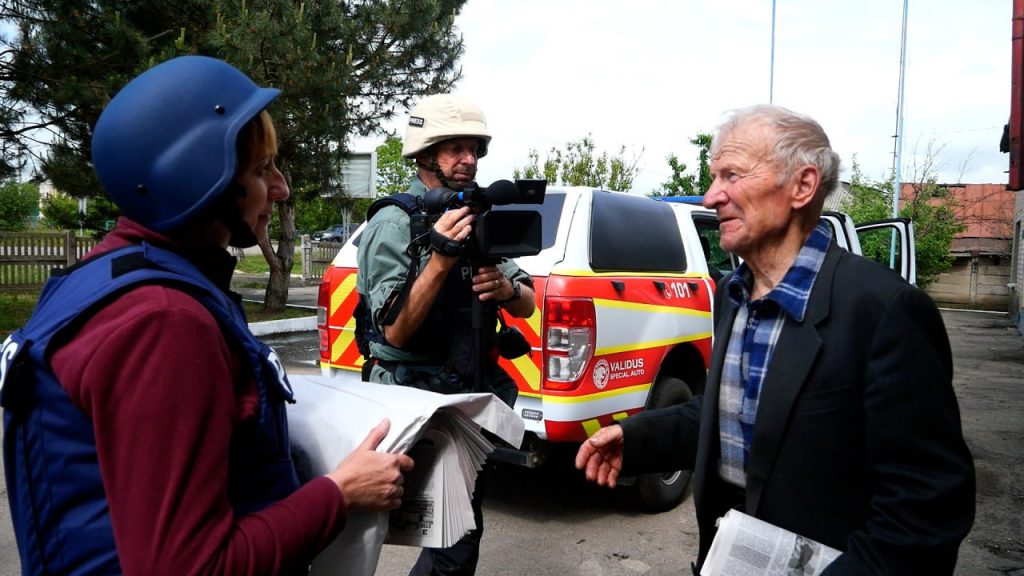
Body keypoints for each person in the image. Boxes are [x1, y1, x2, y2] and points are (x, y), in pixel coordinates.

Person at [1, 55, 413, 575]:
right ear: (202, 178)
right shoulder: (162, 322)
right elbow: (189, 567)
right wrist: (338, 494)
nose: (281, 188)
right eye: (262, 170)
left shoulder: (103, 278)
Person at [575, 104, 975, 575]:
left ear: (803, 186)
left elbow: (925, 507)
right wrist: (638, 439)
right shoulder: (732, 294)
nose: (710, 197)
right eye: (712, 177)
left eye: (732, 176)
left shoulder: (885, 312)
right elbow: (733, 417)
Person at [355, 93, 536, 575]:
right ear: (425, 154)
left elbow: (529, 299)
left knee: (457, 533)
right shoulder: (394, 223)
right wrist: (439, 258)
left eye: (474, 148)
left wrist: (504, 288)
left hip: (467, 399)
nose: (469, 159)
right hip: (412, 403)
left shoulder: (476, 213)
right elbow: (393, 330)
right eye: (455, 148)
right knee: (434, 536)